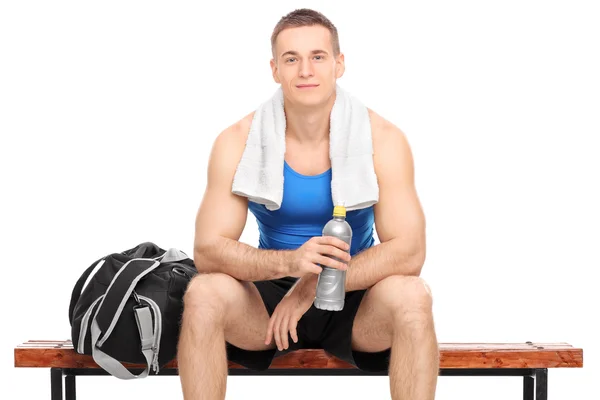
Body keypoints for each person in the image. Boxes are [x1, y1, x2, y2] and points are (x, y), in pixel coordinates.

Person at [178, 8, 439, 400]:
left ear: (339, 64)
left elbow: (410, 251)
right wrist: (289, 264)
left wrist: (309, 287)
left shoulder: (383, 139)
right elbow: (208, 251)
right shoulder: (237, 140)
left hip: (355, 290)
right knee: (202, 293)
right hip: (271, 299)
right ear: (274, 69)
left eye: (317, 57)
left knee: (413, 296)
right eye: (291, 59)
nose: (305, 71)